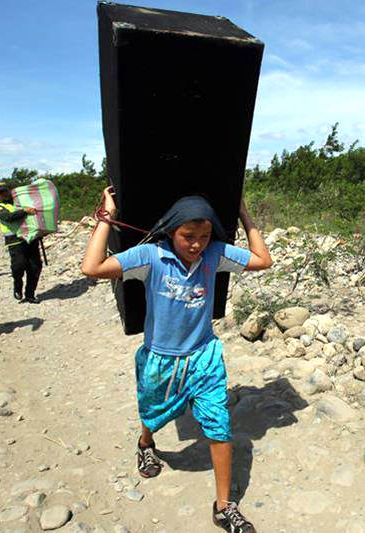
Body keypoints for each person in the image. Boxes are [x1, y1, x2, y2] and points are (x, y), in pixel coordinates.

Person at [81, 187, 272, 533]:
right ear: (171, 231)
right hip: (161, 359)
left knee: (219, 426)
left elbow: (263, 260)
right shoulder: (150, 257)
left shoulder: (215, 255)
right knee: (152, 412)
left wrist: (243, 214)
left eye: (204, 235)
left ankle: (223, 506)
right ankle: (145, 443)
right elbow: (91, 267)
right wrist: (106, 216)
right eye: (188, 236)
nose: (197, 243)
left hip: (204, 357)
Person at [0, 181, 42, 303]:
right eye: (1, 192)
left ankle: (30, 295)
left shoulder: (22, 202)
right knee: (19, 266)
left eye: (5, 190)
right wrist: (25, 211)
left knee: (35, 267)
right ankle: (17, 287)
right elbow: (8, 217)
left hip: (31, 239)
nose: (4, 193)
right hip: (14, 241)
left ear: (10, 190)